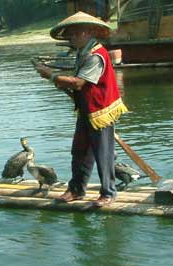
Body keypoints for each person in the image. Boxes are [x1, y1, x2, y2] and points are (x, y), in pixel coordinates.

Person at [34, 11, 128, 207]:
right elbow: (78, 85)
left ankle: (108, 192)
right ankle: (76, 189)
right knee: (79, 150)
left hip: (100, 110)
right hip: (86, 109)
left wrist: (51, 76)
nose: (72, 38)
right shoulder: (82, 52)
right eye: (71, 35)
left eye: (76, 34)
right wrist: (59, 80)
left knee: (103, 152)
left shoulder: (96, 55)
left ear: (87, 33)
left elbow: (78, 83)